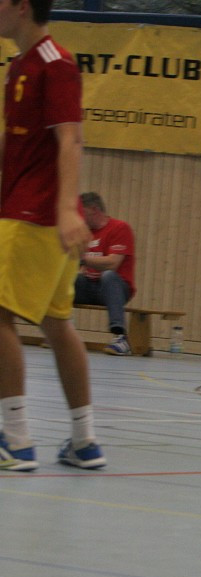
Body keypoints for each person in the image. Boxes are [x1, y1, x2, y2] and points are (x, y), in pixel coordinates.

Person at [0, 0, 106, 471]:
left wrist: (67, 208)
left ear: (22, 7)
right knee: (57, 323)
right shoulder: (19, 65)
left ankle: (16, 439)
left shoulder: (54, 62)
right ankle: (84, 442)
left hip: (38, 214)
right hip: (26, 208)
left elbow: (71, 137)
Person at [75, 192, 136, 356]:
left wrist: (81, 259)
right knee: (65, 280)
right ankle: (61, 331)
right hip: (90, 286)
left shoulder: (119, 228)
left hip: (117, 287)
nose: (79, 217)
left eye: (82, 212)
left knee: (108, 275)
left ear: (94, 209)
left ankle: (121, 337)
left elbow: (112, 263)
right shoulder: (85, 233)